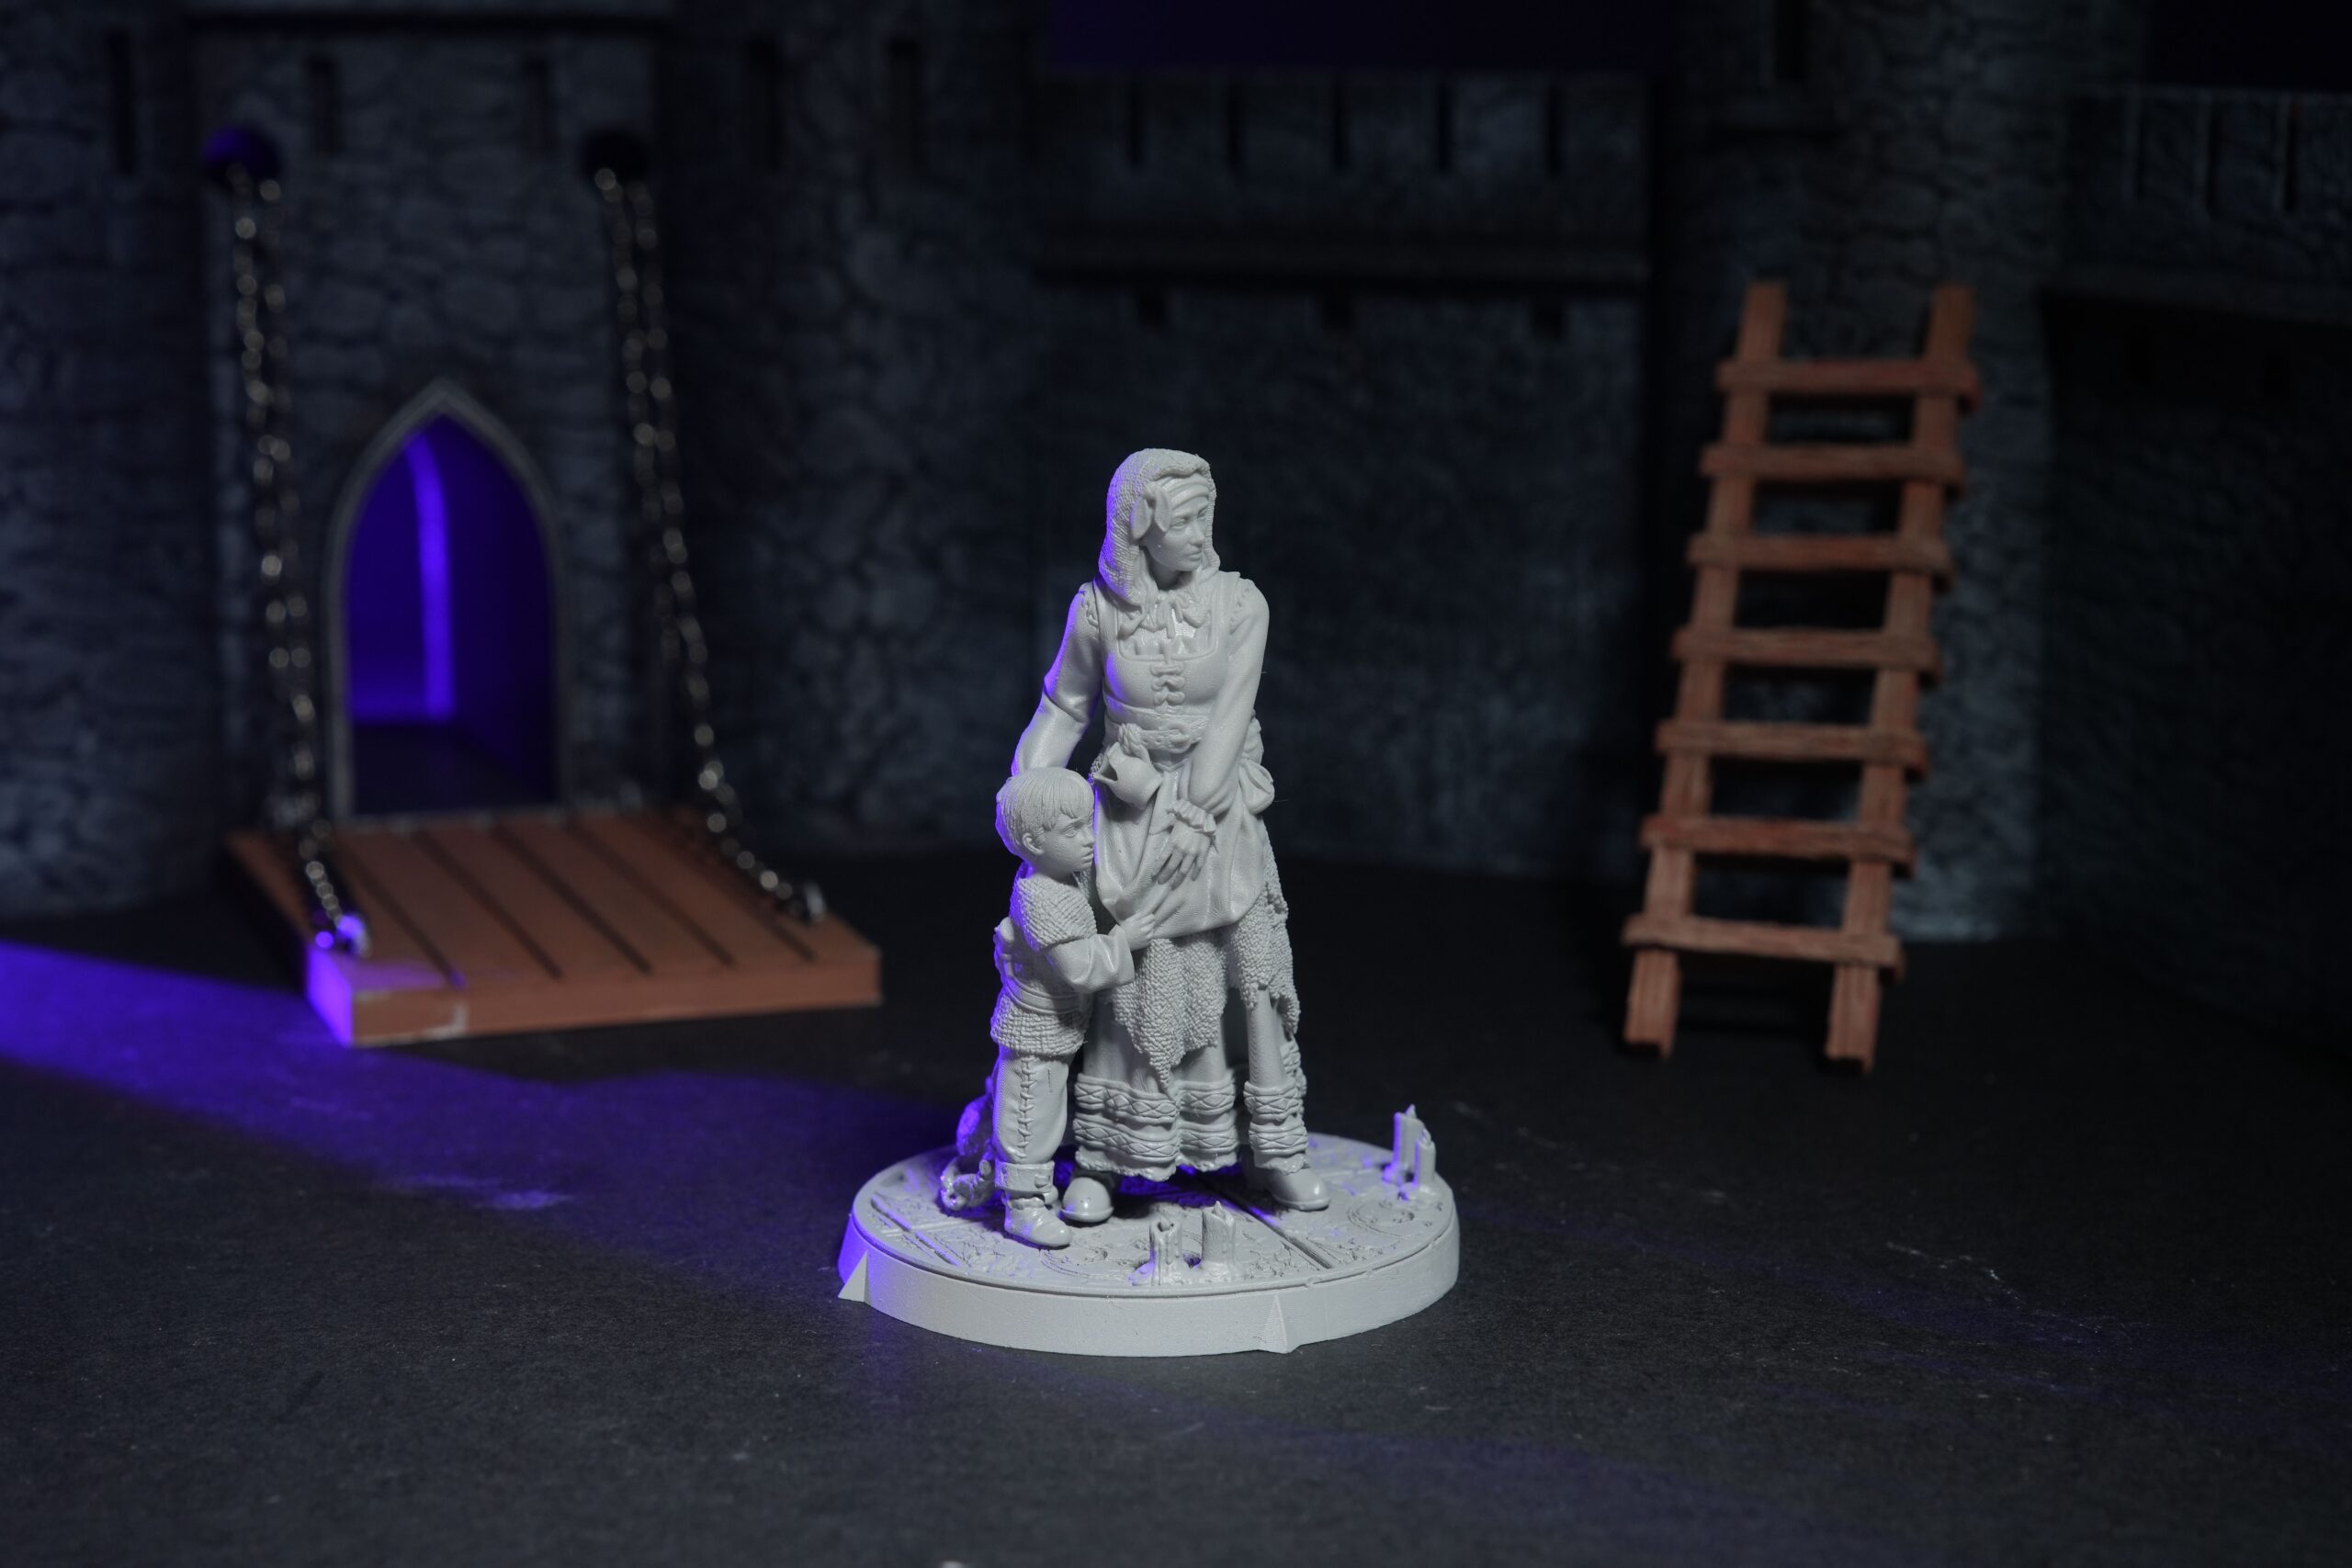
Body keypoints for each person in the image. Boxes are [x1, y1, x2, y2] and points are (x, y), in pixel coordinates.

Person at [1012, 448, 1327, 1221]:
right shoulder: (1097, 609)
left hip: (1219, 819)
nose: (1199, 533)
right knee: (1130, 976)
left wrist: (1193, 811)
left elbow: (1229, 721)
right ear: (1138, 526)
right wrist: (1025, 797)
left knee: (1249, 974)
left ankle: (1275, 1149)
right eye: (1183, 520)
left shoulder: (1241, 604)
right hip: (1125, 817)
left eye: (1204, 516)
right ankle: (1107, 1155)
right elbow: (1064, 706)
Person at [968, 766, 1162, 1248]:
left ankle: (1013, 1179)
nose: (1088, 838)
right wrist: (1123, 941)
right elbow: (1079, 968)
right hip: (1036, 1026)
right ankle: (1023, 1206)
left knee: (1040, 1106)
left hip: (1057, 1023)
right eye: (1072, 829)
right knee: (1031, 1113)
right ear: (1034, 841)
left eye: (1086, 824)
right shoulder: (1042, 898)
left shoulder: (1059, 880)